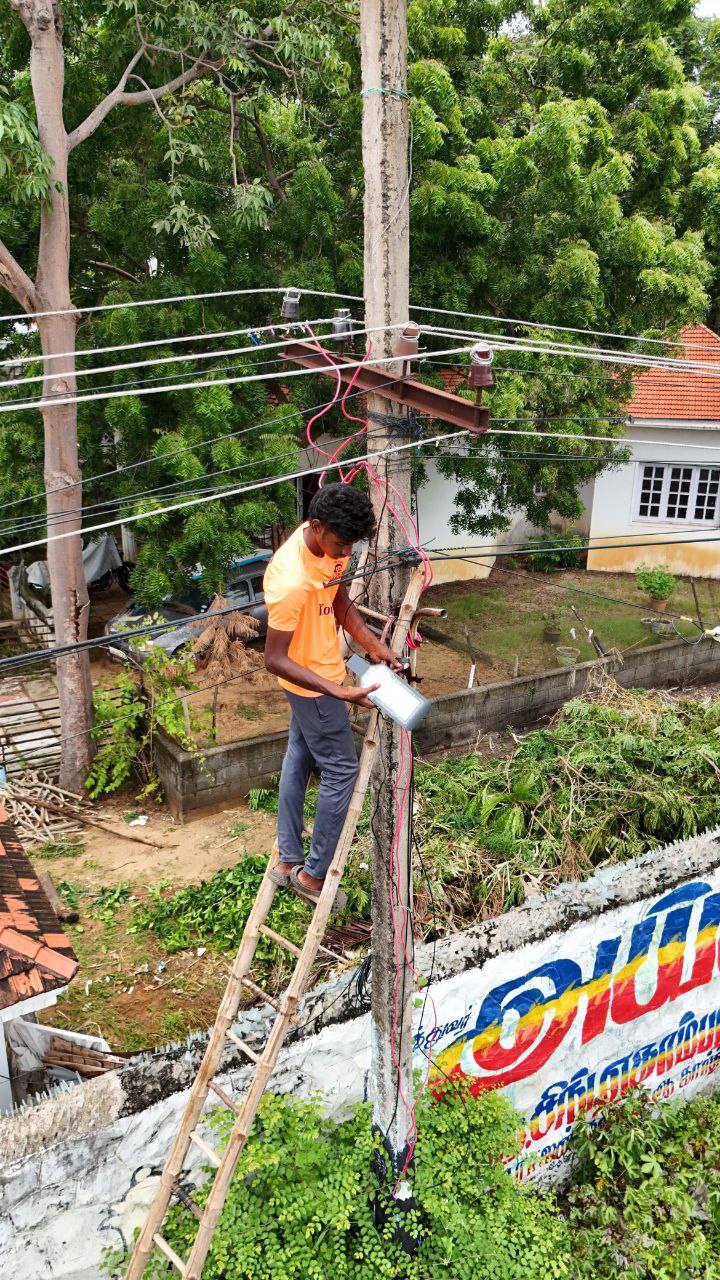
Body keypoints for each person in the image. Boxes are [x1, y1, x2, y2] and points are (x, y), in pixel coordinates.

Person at [263, 483, 403, 910]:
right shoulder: (290, 580)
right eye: (341, 545)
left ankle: (288, 858)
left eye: (350, 547)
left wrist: (371, 645)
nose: (344, 553)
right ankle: (312, 875)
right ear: (316, 526)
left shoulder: (330, 545)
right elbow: (273, 659)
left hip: (320, 673)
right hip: (312, 683)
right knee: (341, 770)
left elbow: (338, 598)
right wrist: (338, 691)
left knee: (298, 756)